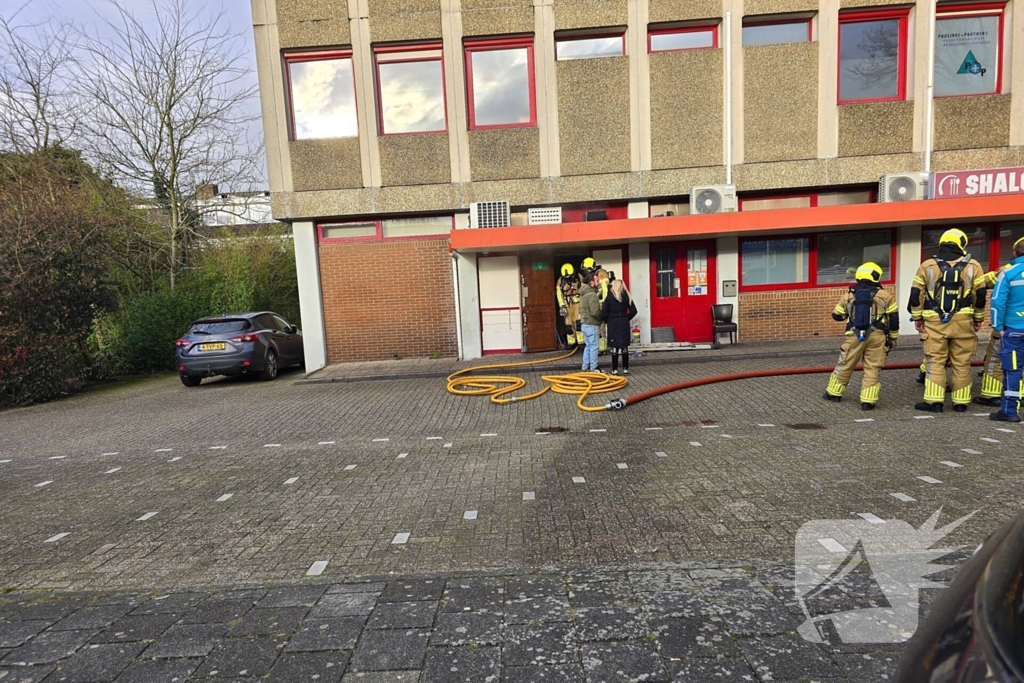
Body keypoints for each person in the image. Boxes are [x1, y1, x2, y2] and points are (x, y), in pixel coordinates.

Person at [908, 228, 987, 413]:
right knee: (962, 361)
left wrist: (918, 316)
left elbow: (915, 294)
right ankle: (961, 403)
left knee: (935, 360)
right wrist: (978, 318)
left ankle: (934, 402)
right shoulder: (974, 266)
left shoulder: (927, 265)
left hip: (934, 321)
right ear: (962, 244)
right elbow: (980, 295)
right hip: (963, 321)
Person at [823, 262, 900, 410]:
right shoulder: (885, 296)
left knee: (845, 364)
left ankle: (833, 393)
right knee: (873, 367)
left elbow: (836, 316)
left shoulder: (848, 295)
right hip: (878, 336)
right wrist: (893, 338)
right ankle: (868, 401)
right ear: (876, 276)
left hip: (854, 336)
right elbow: (894, 320)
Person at [988, 236, 1024, 423]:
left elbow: (997, 303)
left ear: (1014, 252)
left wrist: (998, 327)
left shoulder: (1009, 273)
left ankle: (1010, 411)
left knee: (1012, 371)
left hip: (1014, 330)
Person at [975, 263, 1013, 406]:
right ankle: (1020, 394)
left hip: (1009, 323)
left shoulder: (1009, 270)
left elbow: (983, 282)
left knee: (995, 358)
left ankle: (991, 395)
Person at [601, 279, 639, 375]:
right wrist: (626, 318)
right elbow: (634, 311)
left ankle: (614, 370)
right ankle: (626, 369)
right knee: (624, 347)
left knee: (614, 347)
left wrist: (607, 320)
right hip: (623, 323)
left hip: (613, 323)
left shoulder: (609, 297)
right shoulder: (627, 296)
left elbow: (603, 312)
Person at [578, 271, 603, 372]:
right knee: (594, 347)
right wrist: (602, 318)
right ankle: (594, 368)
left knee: (588, 346)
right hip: (592, 324)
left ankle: (585, 367)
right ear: (592, 283)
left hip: (584, 323)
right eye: (597, 281)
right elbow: (595, 312)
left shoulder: (583, 294)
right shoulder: (592, 295)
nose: (599, 282)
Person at [556, 263, 582, 347]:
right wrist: (562, 305)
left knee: (578, 323)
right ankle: (572, 342)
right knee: (568, 325)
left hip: (577, 303)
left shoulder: (579, 277)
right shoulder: (560, 280)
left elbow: (584, 289)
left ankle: (581, 342)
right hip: (567, 305)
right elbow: (559, 293)